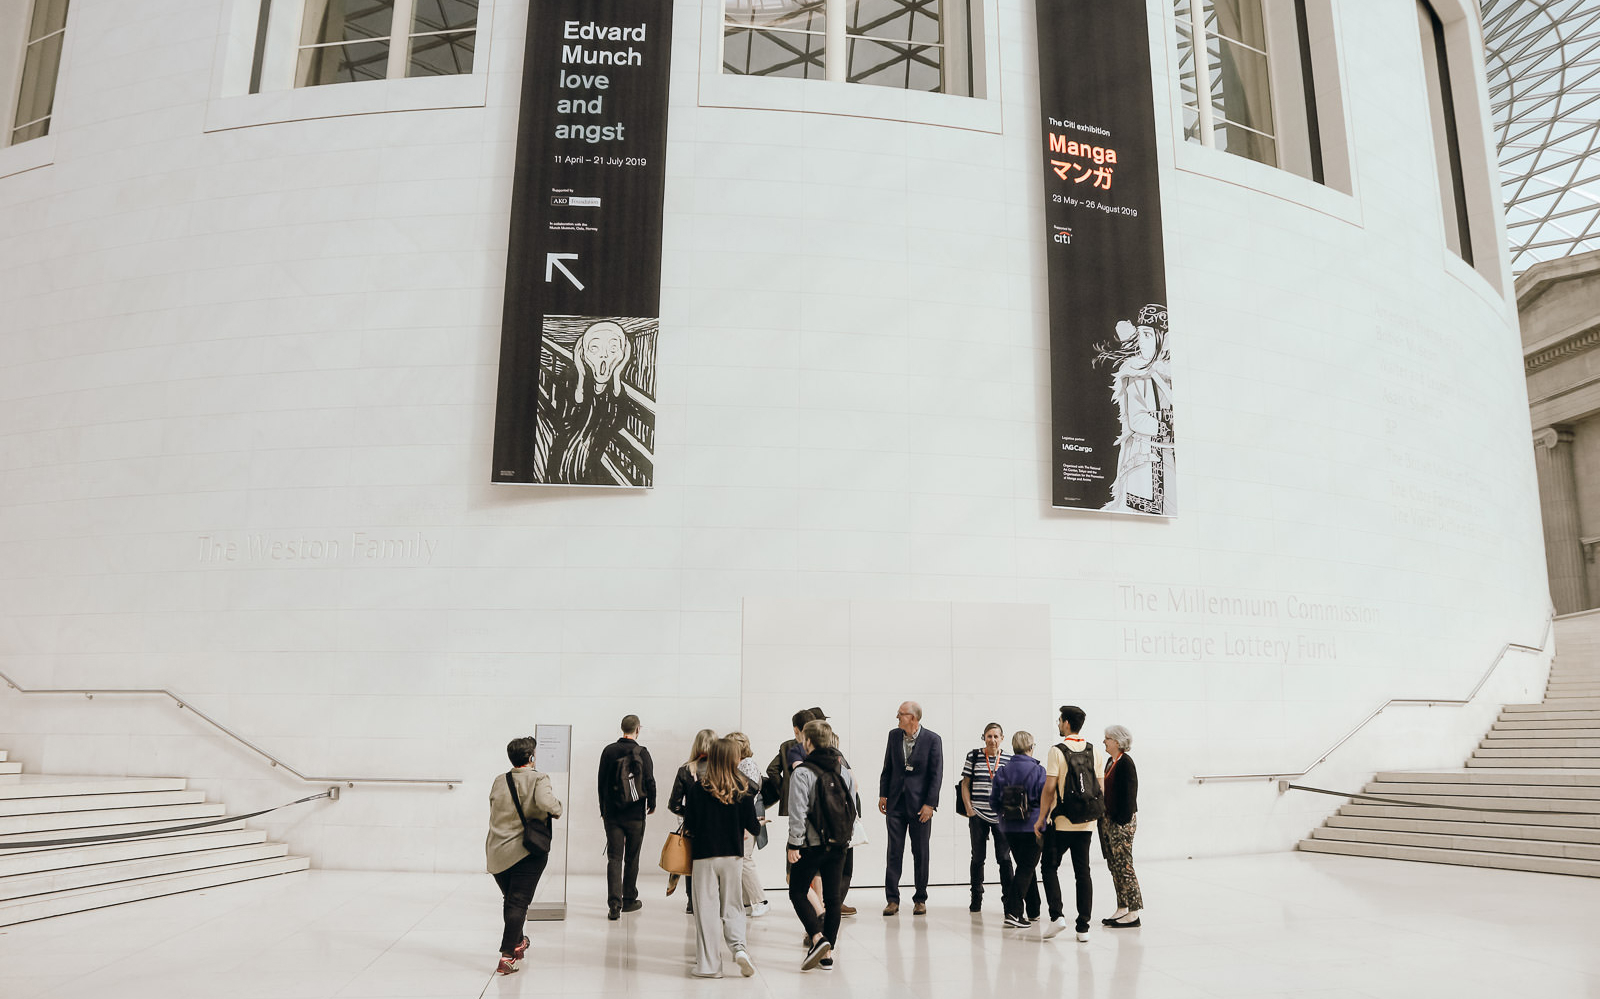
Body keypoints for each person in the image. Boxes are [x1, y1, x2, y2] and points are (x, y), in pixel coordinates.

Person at [682, 737, 762, 978]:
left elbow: (690, 825)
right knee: (734, 906)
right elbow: (753, 826)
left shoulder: (698, 789)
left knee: (705, 909)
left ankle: (709, 966)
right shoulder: (744, 788)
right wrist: (754, 825)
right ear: (733, 759)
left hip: (704, 855)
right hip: (733, 856)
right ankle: (739, 949)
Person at [486, 736, 563, 975]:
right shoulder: (539, 777)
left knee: (511, 900)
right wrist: (557, 808)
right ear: (531, 758)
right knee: (518, 902)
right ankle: (507, 956)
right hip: (526, 851)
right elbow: (545, 802)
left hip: (497, 851)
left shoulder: (500, 780)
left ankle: (518, 943)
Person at [788, 719, 857, 971]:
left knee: (796, 891)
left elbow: (798, 814)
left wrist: (794, 844)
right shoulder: (844, 771)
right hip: (839, 844)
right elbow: (852, 806)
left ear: (808, 741)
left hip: (811, 845)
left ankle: (818, 939)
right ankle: (828, 955)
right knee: (832, 898)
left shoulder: (802, 772)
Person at [1093, 304, 1173, 515]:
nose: (1143, 342)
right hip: (1146, 459)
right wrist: (1168, 427)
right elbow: (1137, 420)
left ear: (1164, 338)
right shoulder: (1137, 375)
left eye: (1148, 335)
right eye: (1141, 335)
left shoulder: (1170, 375)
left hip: (1169, 456)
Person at [1035, 704, 1104, 942]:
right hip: (1086, 823)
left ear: (1066, 723)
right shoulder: (1095, 751)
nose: (1058, 724)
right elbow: (1100, 788)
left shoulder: (1057, 750)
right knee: (1082, 872)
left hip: (1062, 821)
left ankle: (1057, 916)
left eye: (1059, 720)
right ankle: (1083, 927)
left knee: (1048, 866)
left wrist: (1042, 818)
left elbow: (1049, 788)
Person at [877, 700, 942, 915]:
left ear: (913, 718)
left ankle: (920, 898)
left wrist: (930, 804)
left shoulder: (933, 740)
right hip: (895, 803)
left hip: (920, 807)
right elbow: (887, 767)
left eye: (900, 714)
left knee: (920, 852)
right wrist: (883, 794)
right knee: (893, 852)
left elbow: (936, 775)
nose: (897, 718)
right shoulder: (893, 736)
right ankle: (892, 900)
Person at [597, 714, 656, 920]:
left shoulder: (608, 751)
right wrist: (652, 804)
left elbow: (601, 783)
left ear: (621, 728)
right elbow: (649, 780)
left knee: (614, 858)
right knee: (632, 857)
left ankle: (614, 905)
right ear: (638, 729)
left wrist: (603, 809)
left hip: (612, 814)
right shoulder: (642, 752)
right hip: (636, 814)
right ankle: (629, 899)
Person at [988, 730, 1043, 929]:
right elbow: (1044, 799)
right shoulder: (1038, 771)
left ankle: (1034, 910)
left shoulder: (1002, 771)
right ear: (1031, 747)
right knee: (1027, 867)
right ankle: (1013, 911)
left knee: (1024, 866)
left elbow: (993, 802)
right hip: (1033, 827)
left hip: (1009, 827)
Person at [960, 722, 1013, 912]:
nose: (992, 740)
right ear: (984, 737)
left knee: (1004, 859)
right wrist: (969, 808)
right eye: (989, 736)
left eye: (996, 736)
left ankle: (1009, 901)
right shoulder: (973, 756)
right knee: (977, 858)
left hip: (1002, 817)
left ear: (1002, 738)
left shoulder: (1008, 758)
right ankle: (976, 898)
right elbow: (965, 784)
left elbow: (1013, 787)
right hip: (978, 815)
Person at [669, 728, 718, 913]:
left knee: (692, 864)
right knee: (715, 863)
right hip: (718, 827)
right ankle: (713, 901)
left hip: (693, 827)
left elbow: (673, 805)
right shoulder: (723, 770)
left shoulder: (685, 770)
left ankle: (692, 902)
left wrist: (688, 813)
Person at [1099, 724, 1142, 927]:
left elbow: (1129, 794)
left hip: (1121, 822)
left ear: (1117, 741)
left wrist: (1119, 820)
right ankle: (1122, 906)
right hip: (1109, 821)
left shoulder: (1126, 763)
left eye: (1107, 738)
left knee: (1124, 866)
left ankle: (1134, 911)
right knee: (1114, 865)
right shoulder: (1110, 761)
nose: (1104, 742)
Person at [726, 731, 770, 917]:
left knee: (744, 859)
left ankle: (760, 900)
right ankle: (746, 903)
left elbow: (748, 793)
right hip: (743, 818)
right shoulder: (740, 764)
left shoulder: (747, 764)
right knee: (740, 859)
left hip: (746, 819)